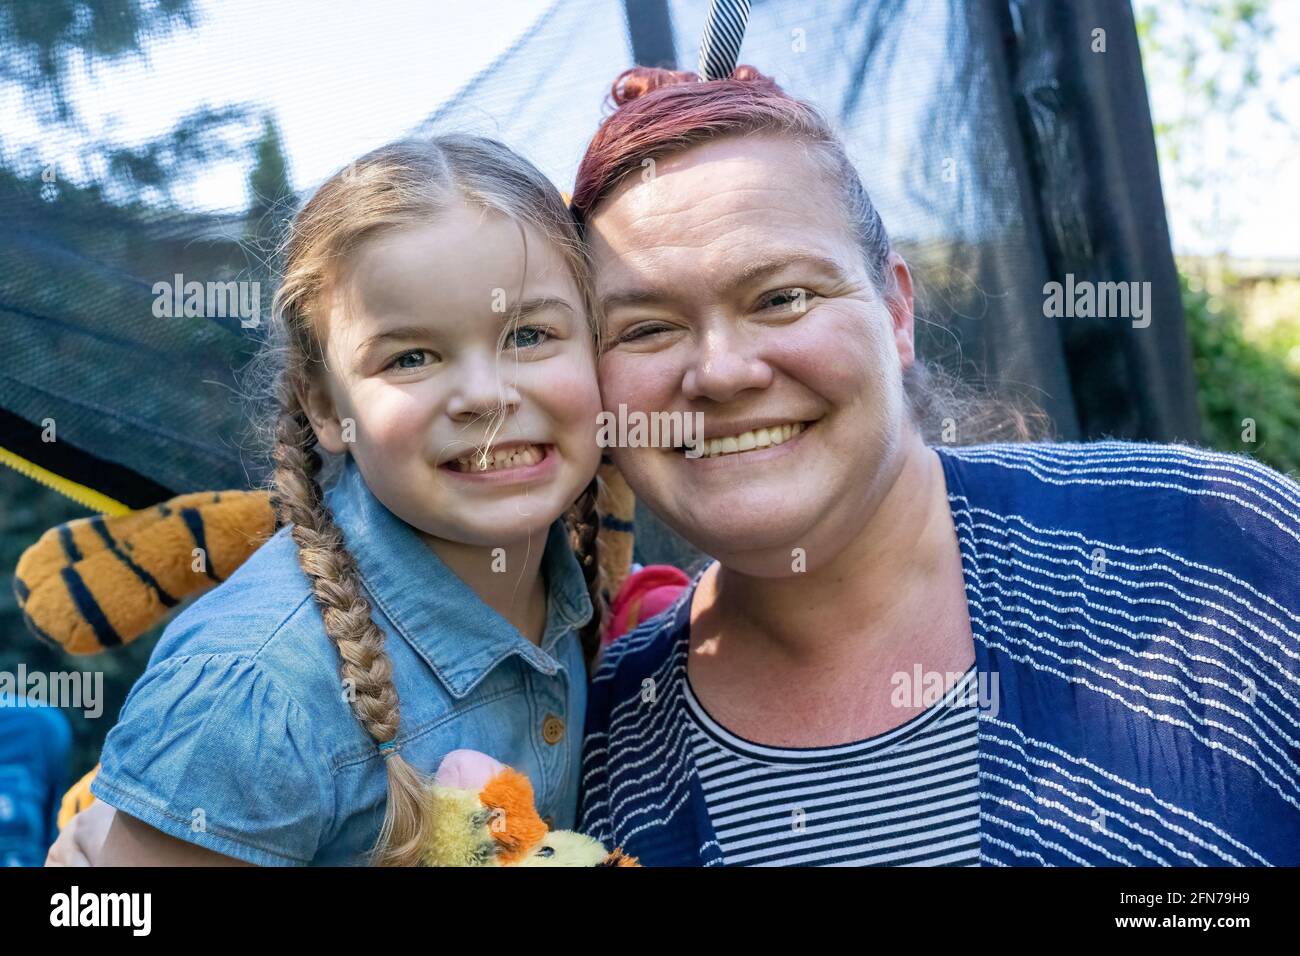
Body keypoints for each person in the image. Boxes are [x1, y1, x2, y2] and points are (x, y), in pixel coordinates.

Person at [572, 66, 1300, 866]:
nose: (721, 372)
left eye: (780, 297)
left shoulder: (1217, 547)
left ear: (895, 310)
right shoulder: (606, 739)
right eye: (646, 329)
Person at [78, 135, 606, 865]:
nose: (486, 395)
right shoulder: (255, 693)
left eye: (529, 334)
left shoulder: (583, 586)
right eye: (411, 357)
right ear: (325, 406)